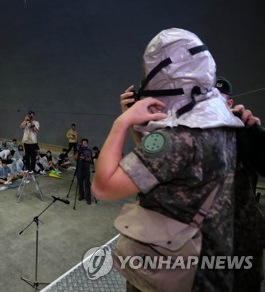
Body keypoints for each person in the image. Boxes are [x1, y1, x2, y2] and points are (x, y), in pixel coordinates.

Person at [93, 28, 243, 291]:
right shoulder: (224, 125)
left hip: (170, 268)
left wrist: (122, 122)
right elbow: (160, 168)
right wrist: (136, 126)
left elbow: (104, 187)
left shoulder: (179, 139)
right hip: (211, 260)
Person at [216, 76, 265, 291]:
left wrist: (257, 135)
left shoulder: (244, 132)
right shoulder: (192, 136)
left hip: (243, 246)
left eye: (219, 98)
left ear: (229, 104)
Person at [74, 139, 92, 204]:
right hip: (79, 170)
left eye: (85, 143)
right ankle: (81, 195)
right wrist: (77, 152)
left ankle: (88, 198)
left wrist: (84, 158)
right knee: (80, 184)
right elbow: (75, 158)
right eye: (83, 143)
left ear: (87, 144)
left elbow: (90, 159)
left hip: (86, 170)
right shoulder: (78, 151)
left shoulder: (89, 151)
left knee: (87, 184)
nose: (84, 144)